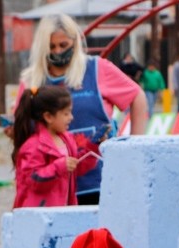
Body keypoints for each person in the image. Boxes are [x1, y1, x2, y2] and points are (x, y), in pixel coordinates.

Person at [12, 14, 147, 205]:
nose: (58, 51)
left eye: (63, 45)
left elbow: (136, 96)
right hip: (53, 187)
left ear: (75, 42)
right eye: (51, 47)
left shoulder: (96, 69)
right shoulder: (31, 81)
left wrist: (134, 147)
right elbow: (20, 126)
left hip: (100, 180)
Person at [11, 86, 98, 209]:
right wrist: (59, 167)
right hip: (39, 215)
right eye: (66, 113)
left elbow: (76, 167)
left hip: (64, 211)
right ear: (48, 117)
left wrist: (93, 147)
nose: (71, 117)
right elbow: (33, 180)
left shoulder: (67, 139)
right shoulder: (33, 146)